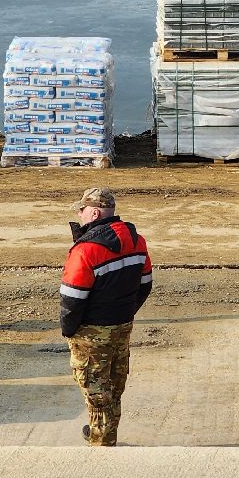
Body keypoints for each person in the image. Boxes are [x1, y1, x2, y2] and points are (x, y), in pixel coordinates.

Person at [60, 187, 152, 447]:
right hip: (122, 325)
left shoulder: (85, 250)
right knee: (115, 381)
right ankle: (106, 435)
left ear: (94, 212)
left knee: (95, 388)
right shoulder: (136, 240)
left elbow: (71, 299)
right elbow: (145, 284)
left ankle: (102, 445)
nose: (78, 214)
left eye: (81, 210)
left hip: (91, 331)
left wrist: (69, 330)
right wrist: (125, 312)